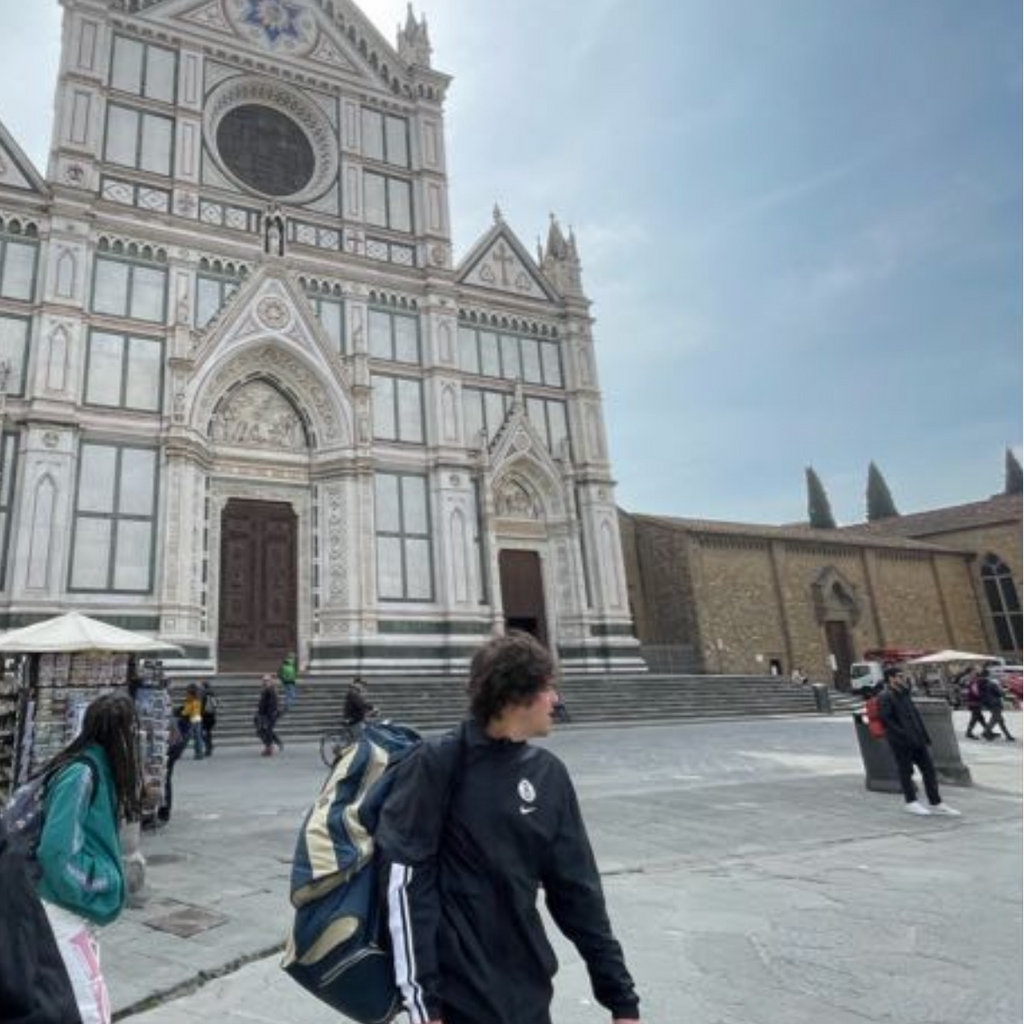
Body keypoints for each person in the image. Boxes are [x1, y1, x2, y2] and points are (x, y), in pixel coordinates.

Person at [376, 631, 643, 1024]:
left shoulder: (548, 775)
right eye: (548, 688)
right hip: (457, 996)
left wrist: (621, 999)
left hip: (528, 990)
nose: (556, 700)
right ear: (516, 695)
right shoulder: (437, 763)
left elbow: (578, 892)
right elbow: (404, 884)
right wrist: (424, 1006)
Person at [35, 691, 144, 1022]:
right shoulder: (81, 773)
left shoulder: (98, 768)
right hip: (63, 907)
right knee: (89, 1007)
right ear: (121, 735)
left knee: (84, 999)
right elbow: (56, 852)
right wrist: (102, 881)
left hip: (74, 908)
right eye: (133, 732)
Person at [877, 665, 960, 817]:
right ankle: (911, 802)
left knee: (929, 771)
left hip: (918, 739)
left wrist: (924, 736)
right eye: (900, 676)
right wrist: (903, 735)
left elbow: (915, 717)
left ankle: (936, 801)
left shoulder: (904, 693)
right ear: (891, 678)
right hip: (902, 742)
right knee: (906, 771)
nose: (903, 678)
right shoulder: (885, 696)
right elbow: (886, 720)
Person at [979, 667, 1015, 742]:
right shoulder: (992, 684)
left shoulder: (982, 683)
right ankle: (986, 732)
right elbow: (1000, 693)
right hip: (995, 703)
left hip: (988, 703)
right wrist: (1005, 690)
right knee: (995, 719)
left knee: (1000, 720)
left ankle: (1008, 735)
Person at [256, 674, 283, 756]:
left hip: (270, 715)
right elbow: (262, 703)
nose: (265, 682)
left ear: (271, 681)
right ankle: (274, 743)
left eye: (267, 680)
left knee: (267, 731)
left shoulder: (271, 691)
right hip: (263, 714)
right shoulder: (265, 690)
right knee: (262, 731)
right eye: (264, 680)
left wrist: (270, 715)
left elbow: (273, 704)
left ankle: (270, 748)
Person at [181, 683, 204, 760]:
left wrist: (182, 713)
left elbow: (187, 711)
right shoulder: (198, 699)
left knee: (186, 737)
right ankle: (199, 753)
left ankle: (178, 751)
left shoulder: (190, 700)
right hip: (198, 718)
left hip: (191, 719)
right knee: (198, 737)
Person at [963, 666, 988, 739]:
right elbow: (975, 691)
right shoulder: (972, 680)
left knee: (980, 717)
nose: (975, 672)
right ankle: (969, 732)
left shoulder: (973, 680)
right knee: (975, 718)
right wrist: (981, 696)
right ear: (970, 672)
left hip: (973, 701)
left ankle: (987, 730)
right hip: (974, 702)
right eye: (973, 671)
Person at [200, 681, 219, 756]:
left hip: (205, 717)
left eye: (201, 686)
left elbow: (201, 707)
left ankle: (208, 747)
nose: (200, 688)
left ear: (204, 687)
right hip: (212, 717)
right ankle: (209, 746)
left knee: (203, 733)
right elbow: (216, 705)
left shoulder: (203, 695)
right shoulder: (213, 694)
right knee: (208, 732)